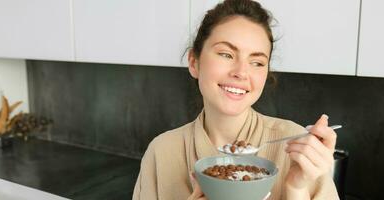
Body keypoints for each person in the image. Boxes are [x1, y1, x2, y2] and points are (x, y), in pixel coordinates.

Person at [132, 0, 340, 199]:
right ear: (195, 62)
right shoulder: (161, 152)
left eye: (257, 62)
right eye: (226, 54)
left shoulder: (298, 148)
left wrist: (297, 187)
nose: (241, 72)